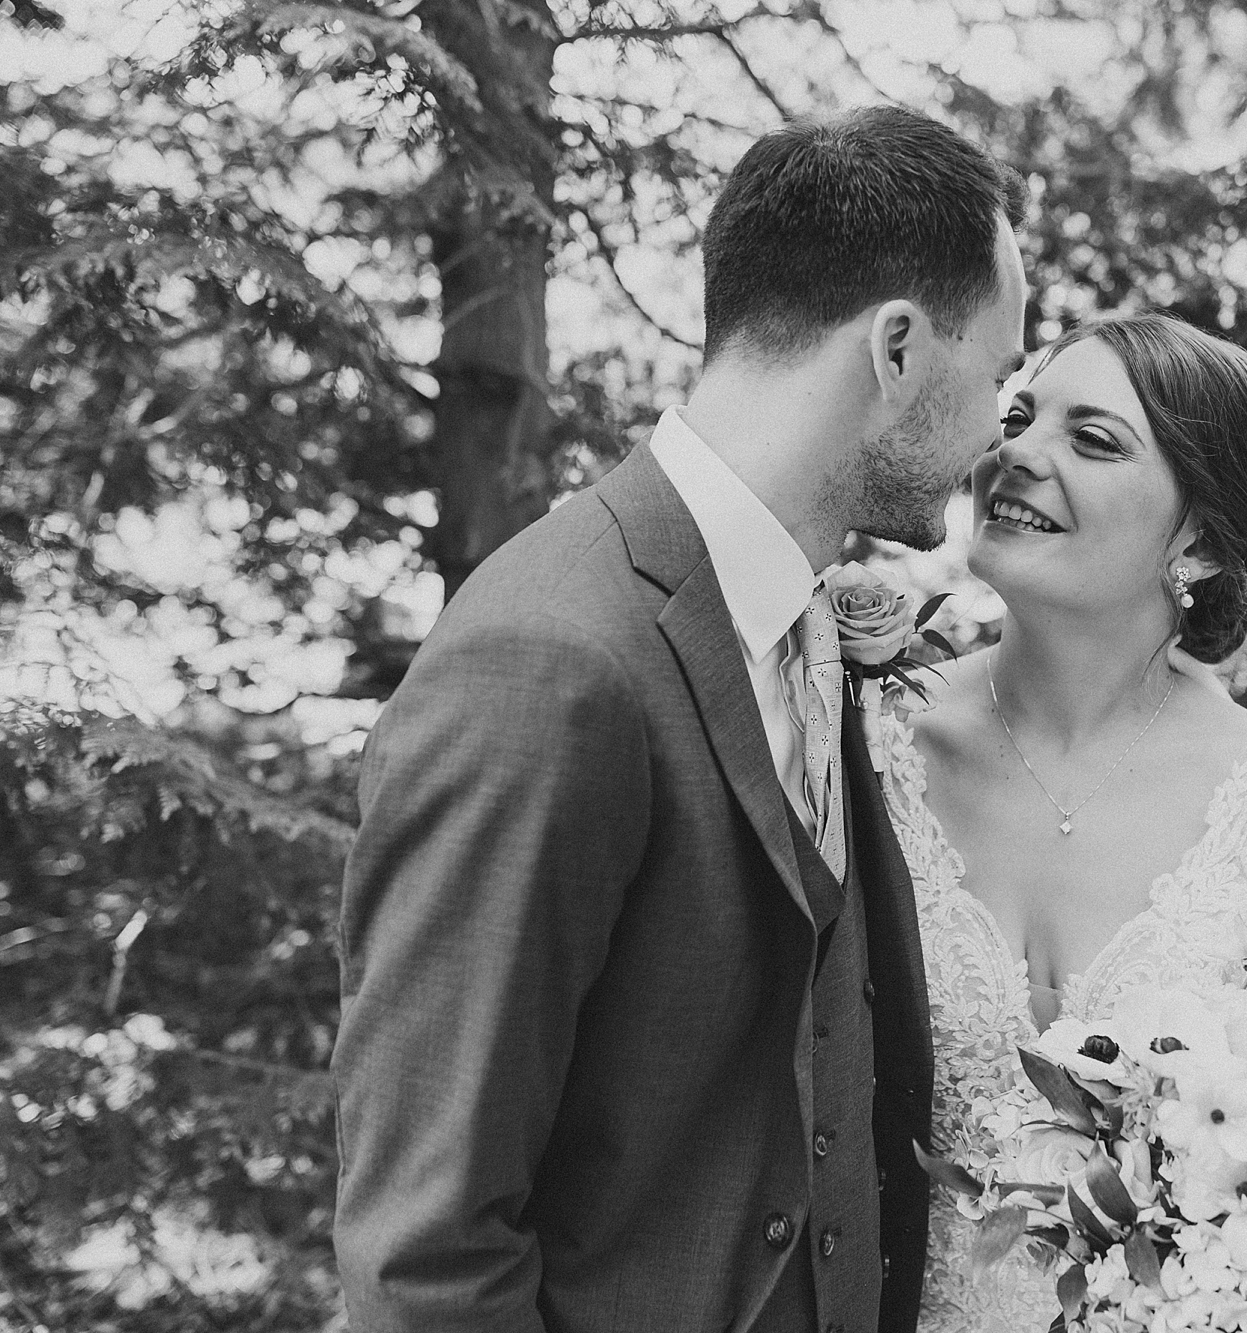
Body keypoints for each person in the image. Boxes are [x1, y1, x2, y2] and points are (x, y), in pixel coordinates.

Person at [332, 106, 1027, 1333]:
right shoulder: (545, 662)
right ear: (899, 349)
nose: (993, 430)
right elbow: (425, 1254)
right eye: (998, 372)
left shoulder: (802, 611)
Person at [879, 313, 1247, 1331]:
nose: (1016, 449)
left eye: (1092, 438)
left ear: (1198, 534)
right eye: (1018, 416)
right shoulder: (873, 743)